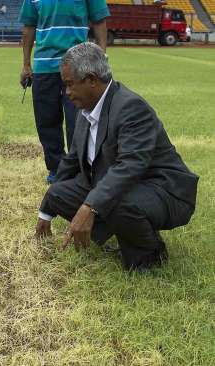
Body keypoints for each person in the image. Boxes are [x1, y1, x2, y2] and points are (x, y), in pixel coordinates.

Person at [35, 43, 199, 272]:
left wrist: (89, 207)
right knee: (59, 193)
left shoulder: (131, 107)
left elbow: (130, 166)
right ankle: (125, 231)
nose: (67, 92)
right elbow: (71, 160)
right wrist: (46, 211)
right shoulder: (86, 107)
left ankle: (150, 256)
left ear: (91, 79)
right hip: (130, 186)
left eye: (70, 84)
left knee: (117, 201)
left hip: (165, 189)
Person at [19, 0, 109, 184]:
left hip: (78, 65)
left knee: (78, 121)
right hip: (44, 65)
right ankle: (56, 168)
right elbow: (29, 26)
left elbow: (99, 21)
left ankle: (79, 169)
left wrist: (101, 57)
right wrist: (26, 64)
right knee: (46, 120)